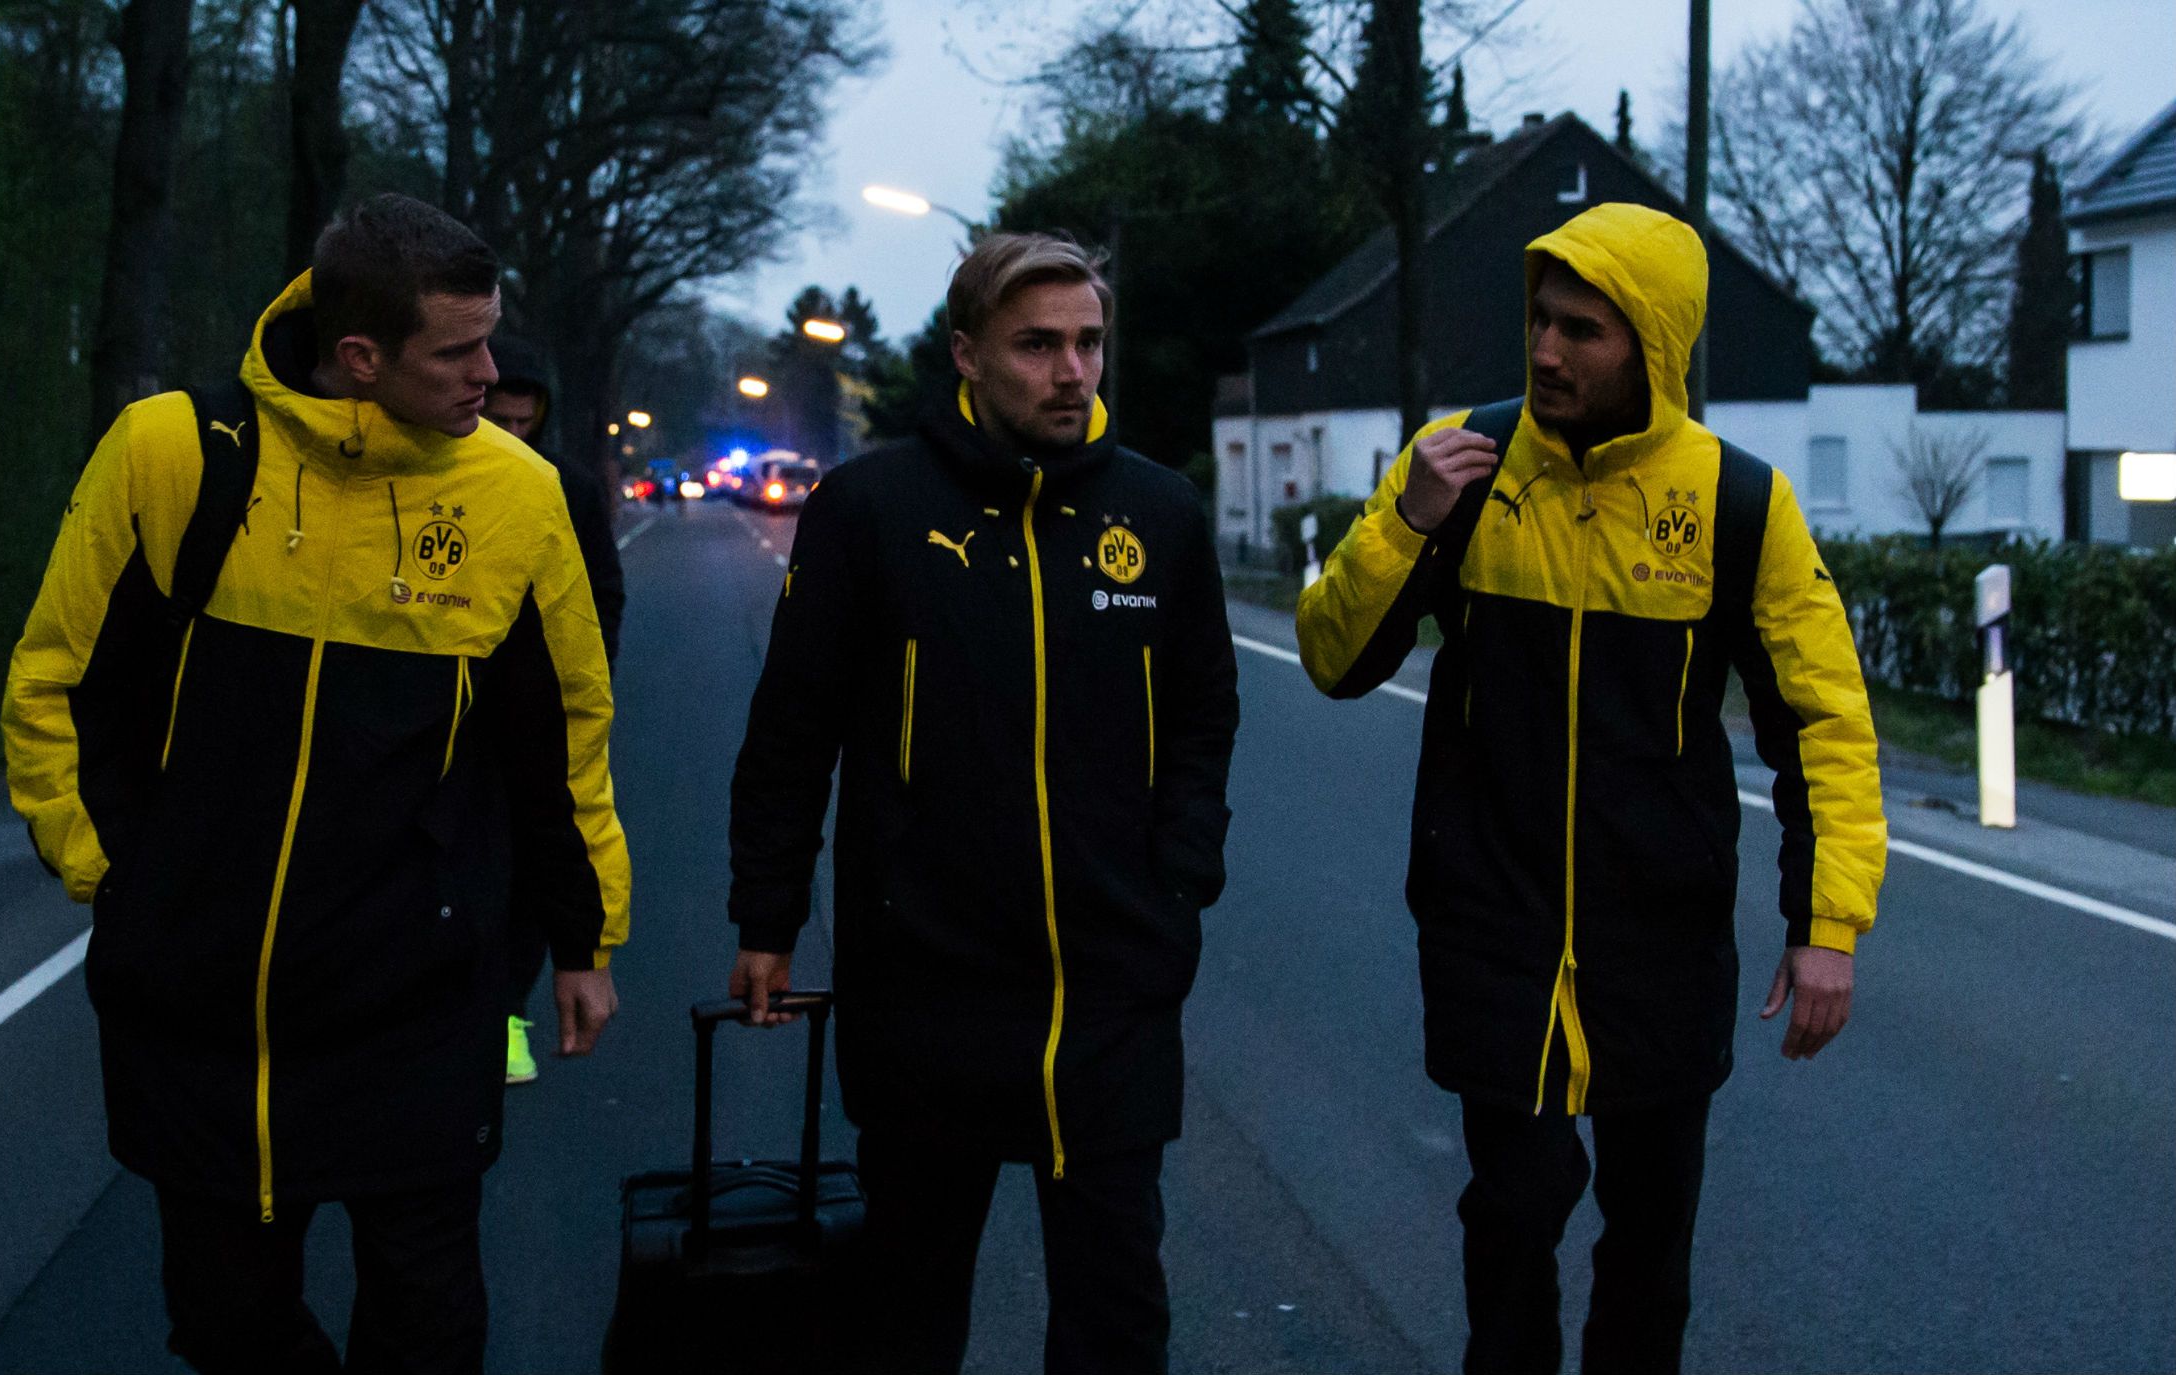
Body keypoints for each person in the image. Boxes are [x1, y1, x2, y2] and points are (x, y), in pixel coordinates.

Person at [2, 193, 630, 1375]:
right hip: (206, 1004)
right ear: (360, 356)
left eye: (490, 340)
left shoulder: (518, 496)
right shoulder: (171, 453)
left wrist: (582, 941)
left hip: (421, 995)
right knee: (224, 1320)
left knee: (430, 1318)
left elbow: (565, 744)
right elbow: (54, 685)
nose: (488, 375)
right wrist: (123, 882)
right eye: (457, 351)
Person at [1293, 202, 1886, 1374]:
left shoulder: (1737, 504)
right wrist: (1404, 525)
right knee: (1510, 1214)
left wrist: (1825, 928)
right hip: (1490, 927)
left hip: (1656, 941)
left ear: (1652, 345)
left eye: (1582, 330)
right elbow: (1330, 658)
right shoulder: (1457, 461)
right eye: (1537, 321)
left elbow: (1823, 723)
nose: (1546, 351)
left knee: (1648, 1244)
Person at [725, 232, 1240, 1375]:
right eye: (1036, 345)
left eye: (1088, 342)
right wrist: (765, 914)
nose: (1071, 371)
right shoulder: (868, 508)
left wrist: (1180, 869)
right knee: (908, 1312)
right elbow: (791, 730)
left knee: (1115, 1317)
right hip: (926, 983)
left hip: (1110, 984)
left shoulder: (1156, 513)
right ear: (966, 354)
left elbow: (1204, 709)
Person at [480, 333, 628, 1087]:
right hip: (453, 712)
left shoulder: (567, 487)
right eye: (495, 419)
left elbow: (603, 593)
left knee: (538, 861)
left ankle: (506, 1012)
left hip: (536, 714)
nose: (509, 436)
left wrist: (579, 683)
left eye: (521, 423)